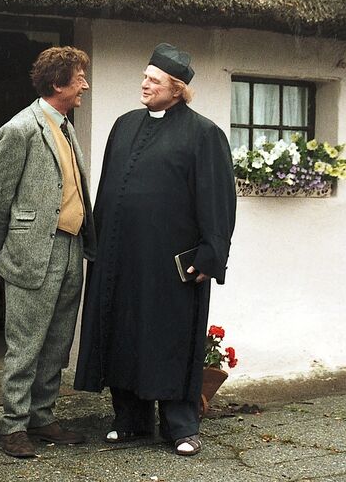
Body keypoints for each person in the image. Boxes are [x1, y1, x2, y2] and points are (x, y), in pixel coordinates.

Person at [74, 43, 236, 456]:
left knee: (170, 338)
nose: (144, 83)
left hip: (171, 263)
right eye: (145, 76)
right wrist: (98, 243)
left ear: (177, 88)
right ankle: (130, 420)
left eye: (154, 79)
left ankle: (181, 426)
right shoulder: (124, 125)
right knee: (125, 332)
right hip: (122, 257)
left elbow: (218, 200)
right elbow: (108, 189)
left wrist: (209, 254)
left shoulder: (204, 133)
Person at [0, 46, 96, 458]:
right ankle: (13, 427)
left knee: (58, 341)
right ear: (56, 83)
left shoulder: (66, 126)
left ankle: (43, 418)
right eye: (78, 76)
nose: (84, 83)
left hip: (70, 248)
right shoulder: (20, 128)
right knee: (25, 343)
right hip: (32, 250)